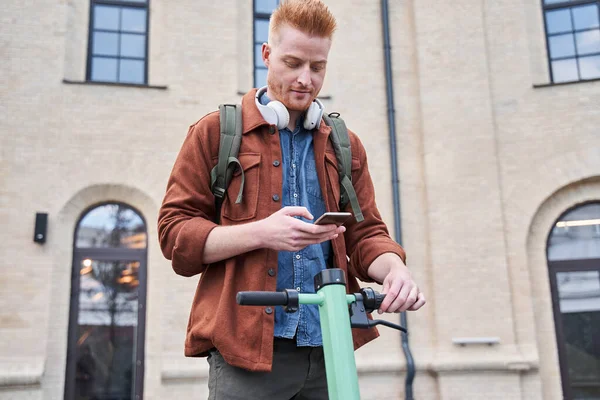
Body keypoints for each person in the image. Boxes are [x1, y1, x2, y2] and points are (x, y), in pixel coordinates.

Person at [158, 0, 425, 398]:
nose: (305, 79)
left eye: (317, 68)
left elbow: (367, 233)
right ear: (266, 55)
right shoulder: (215, 133)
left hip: (331, 345)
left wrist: (394, 271)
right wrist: (261, 233)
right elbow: (175, 236)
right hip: (245, 355)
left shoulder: (344, 145)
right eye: (293, 63)